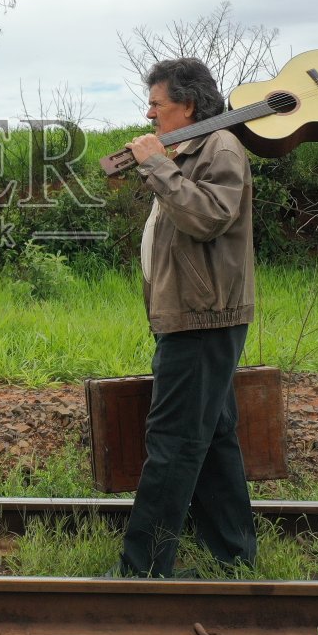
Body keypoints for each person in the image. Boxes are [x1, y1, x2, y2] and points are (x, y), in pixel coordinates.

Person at [115, 56, 258, 578]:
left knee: (173, 440)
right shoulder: (190, 148)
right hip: (195, 315)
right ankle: (233, 556)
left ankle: (144, 572)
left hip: (204, 317)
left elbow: (207, 216)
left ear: (189, 105)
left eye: (157, 104)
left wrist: (157, 165)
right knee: (213, 436)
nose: (149, 114)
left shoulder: (219, 146)